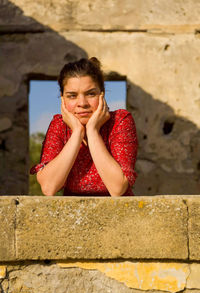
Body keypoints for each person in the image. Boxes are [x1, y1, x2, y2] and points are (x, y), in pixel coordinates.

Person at [30, 57, 138, 196]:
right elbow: (49, 187)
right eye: (72, 96)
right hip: (73, 216)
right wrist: (77, 133)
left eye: (91, 94)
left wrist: (93, 131)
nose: (82, 103)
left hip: (119, 215)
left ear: (102, 95)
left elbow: (117, 188)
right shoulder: (59, 126)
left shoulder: (120, 121)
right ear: (62, 99)